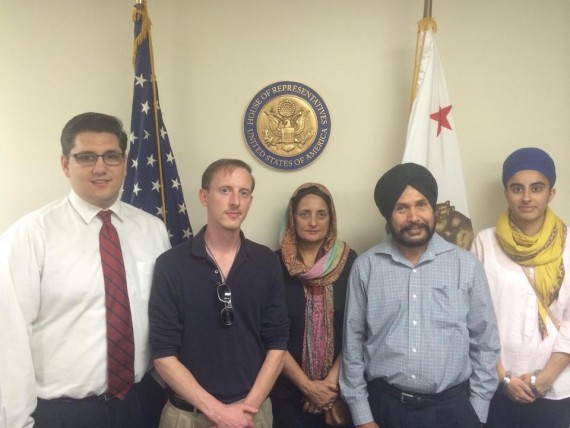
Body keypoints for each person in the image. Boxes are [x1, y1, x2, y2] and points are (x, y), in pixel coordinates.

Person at [0, 112, 172, 428]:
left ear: (124, 162)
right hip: (64, 414)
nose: (100, 168)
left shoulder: (153, 230)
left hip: (141, 404)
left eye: (111, 156)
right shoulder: (30, 236)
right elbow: (9, 339)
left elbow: (165, 317)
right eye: (86, 157)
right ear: (65, 164)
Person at [340, 162, 501, 428]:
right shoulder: (366, 267)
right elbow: (353, 346)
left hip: (453, 411)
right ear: (388, 215)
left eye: (421, 205)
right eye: (402, 207)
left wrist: (476, 411)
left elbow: (486, 342)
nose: (413, 216)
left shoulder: (466, 265)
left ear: (433, 208)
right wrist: (362, 416)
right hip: (385, 410)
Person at [149, 158, 289, 428]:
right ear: (204, 196)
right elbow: (163, 354)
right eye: (225, 190)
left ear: (250, 200)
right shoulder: (171, 264)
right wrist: (219, 413)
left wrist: (246, 411)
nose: (235, 201)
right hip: (188, 416)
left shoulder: (266, 262)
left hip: (252, 414)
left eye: (243, 192)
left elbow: (278, 343)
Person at [471, 147, 570, 428]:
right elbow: (475, 317)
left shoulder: (568, 245)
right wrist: (503, 378)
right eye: (517, 188)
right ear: (506, 193)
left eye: (536, 188)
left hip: (557, 388)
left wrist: (546, 377)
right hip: (494, 385)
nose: (527, 197)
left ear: (551, 193)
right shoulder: (485, 243)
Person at [270, 183, 358, 427]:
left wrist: (328, 387)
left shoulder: (350, 262)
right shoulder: (271, 265)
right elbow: (269, 333)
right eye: (304, 214)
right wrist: (308, 387)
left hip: (338, 393)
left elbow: (358, 328)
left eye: (322, 214)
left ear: (331, 219)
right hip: (286, 394)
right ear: (292, 218)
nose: (313, 222)